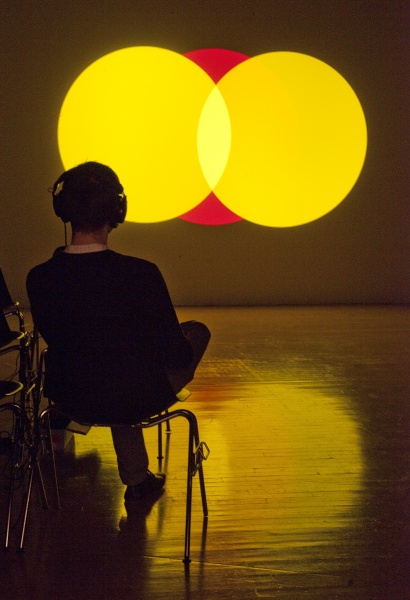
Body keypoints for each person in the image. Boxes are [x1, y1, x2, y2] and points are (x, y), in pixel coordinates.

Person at [26, 161, 210, 503]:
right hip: (135, 395)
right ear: (117, 210)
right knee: (194, 333)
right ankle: (137, 482)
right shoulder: (141, 274)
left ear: (62, 210)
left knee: (110, 361)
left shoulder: (39, 278)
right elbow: (175, 354)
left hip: (71, 396)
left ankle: (138, 478)